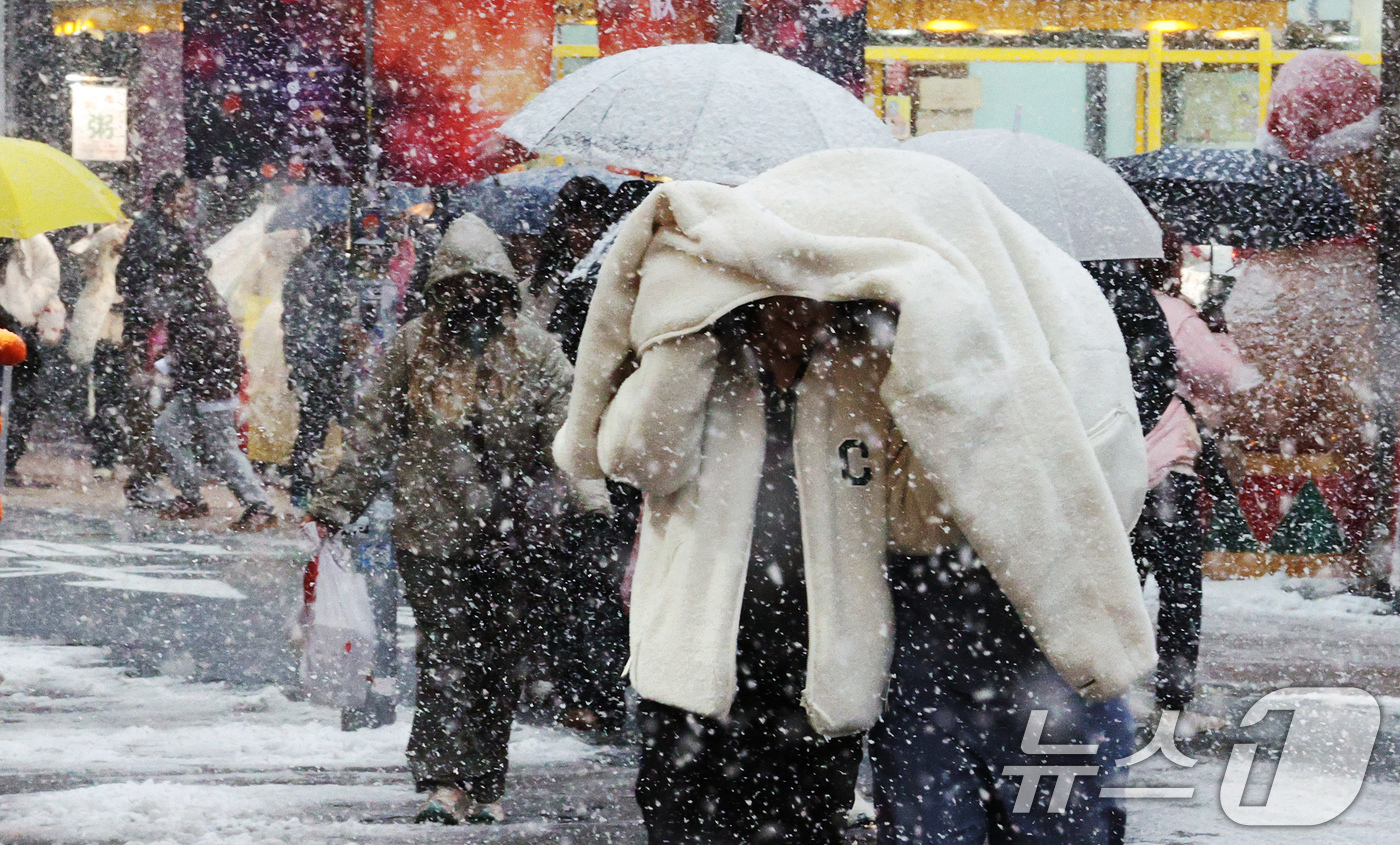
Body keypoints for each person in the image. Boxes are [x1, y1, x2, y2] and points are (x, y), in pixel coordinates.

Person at [554, 149, 1153, 845]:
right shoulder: (708, 367)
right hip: (693, 681)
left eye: (806, 292)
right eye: (769, 293)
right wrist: (683, 345)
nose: (790, 312)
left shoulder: (860, 371)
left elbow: (919, 510)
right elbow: (634, 460)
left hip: (818, 685)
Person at [305, 213, 607, 826]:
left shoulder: (536, 350)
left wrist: (592, 501)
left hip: (514, 533)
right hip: (431, 532)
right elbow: (375, 434)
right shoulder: (414, 348)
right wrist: (338, 503)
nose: (471, 296)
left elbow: (568, 430)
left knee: (499, 659)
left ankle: (485, 779)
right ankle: (442, 779)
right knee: (445, 653)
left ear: (502, 287)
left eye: (483, 284)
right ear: (440, 288)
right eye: (458, 285)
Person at [148, 176, 277, 531]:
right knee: (167, 430)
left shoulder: (199, 301)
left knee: (222, 448)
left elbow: (209, 347)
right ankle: (191, 496)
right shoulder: (188, 298)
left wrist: (179, 370)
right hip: (198, 384)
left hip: (213, 386)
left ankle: (258, 504)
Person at [115, 173, 191, 509]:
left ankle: (146, 477)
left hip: (165, 332)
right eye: (184, 198)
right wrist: (158, 297)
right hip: (149, 333)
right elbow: (129, 278)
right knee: (149, 405)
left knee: (161, 407)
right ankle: (140, 481)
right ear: (168, 198)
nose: (189, 204)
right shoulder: (149, 229)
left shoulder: (172, 231)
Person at [282, 226, 352, 506]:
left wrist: (294, 360)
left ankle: (300, 487)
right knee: (349, 424)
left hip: (308, 357)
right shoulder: (339, 264)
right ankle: (346, 489)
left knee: (311, 425)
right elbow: (344, 309)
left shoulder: (300, 263)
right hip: (332, 357)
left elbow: (289, 315)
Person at [67, 222, 133, 478]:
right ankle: (102, 456)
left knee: (116, 397)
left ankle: (111, 452)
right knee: (100, 397)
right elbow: (87, 254)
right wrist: (106, 237)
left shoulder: (135, 259)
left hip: (124, 333)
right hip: (101, 333)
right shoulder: (97, 257)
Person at [0, 233, 64, 481]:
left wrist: (26, 305)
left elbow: (49, 274)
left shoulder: (28, 238)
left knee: (20, 397)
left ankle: (7, 458)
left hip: (15, 326)